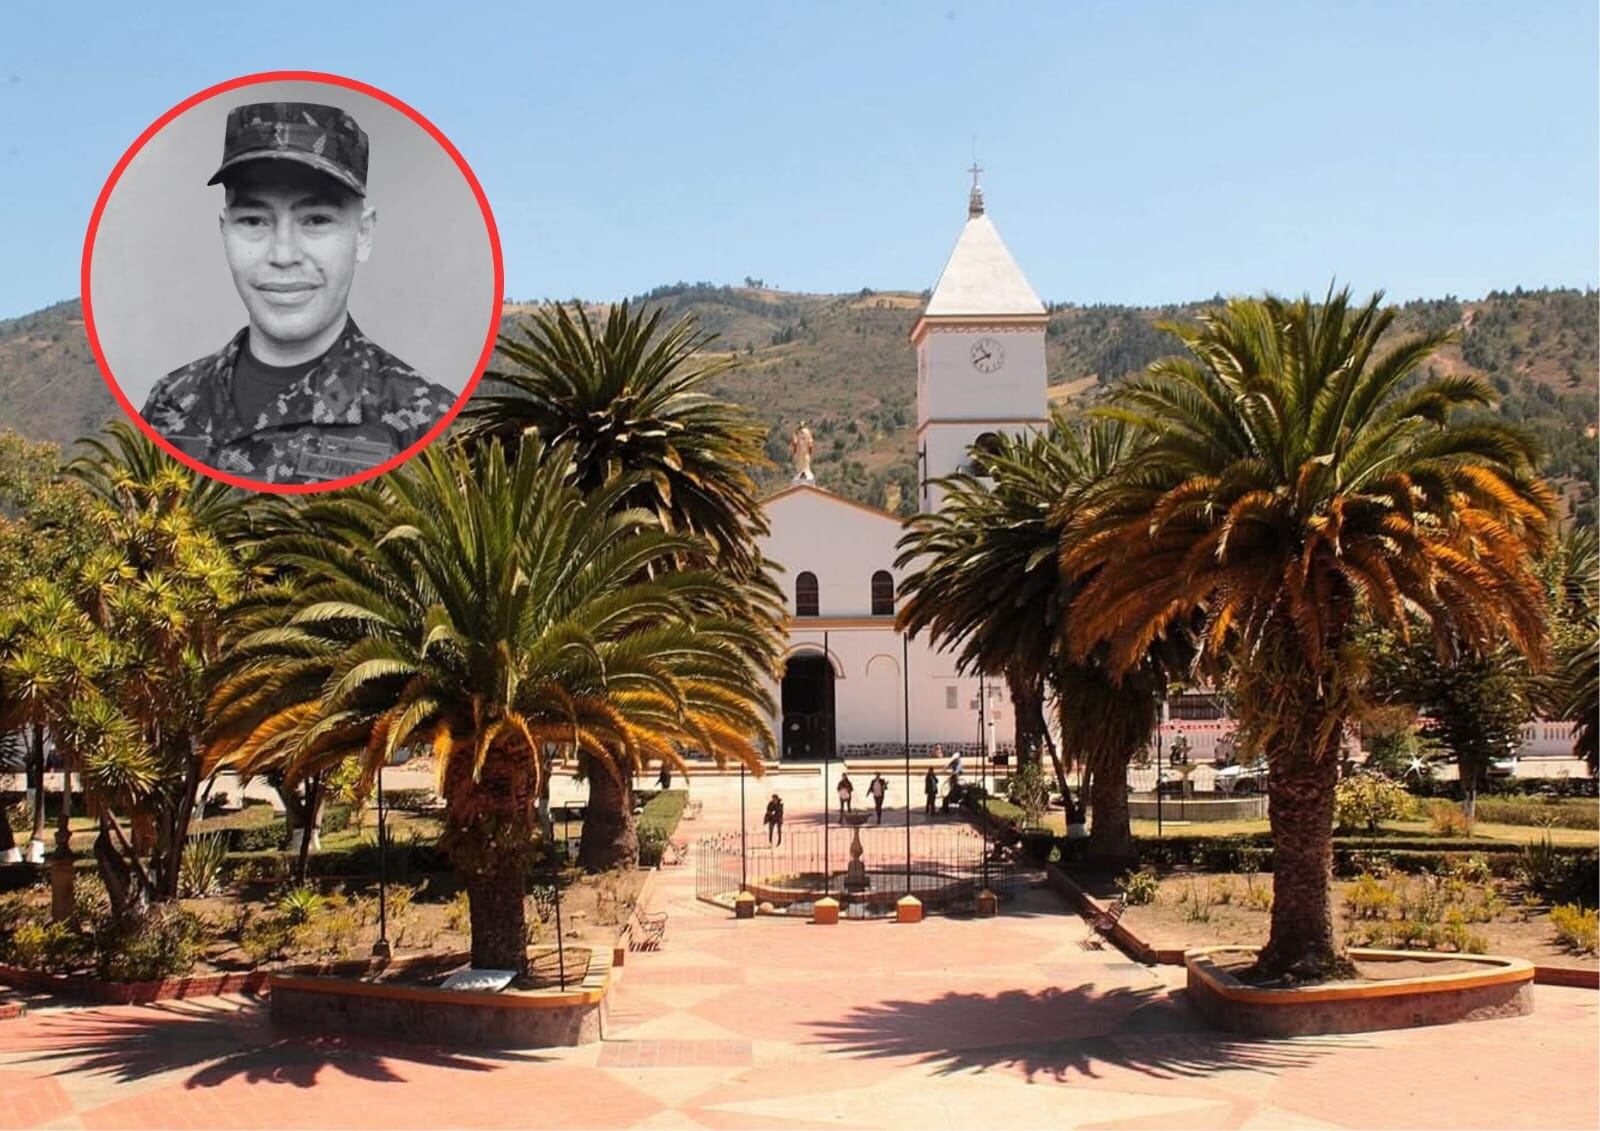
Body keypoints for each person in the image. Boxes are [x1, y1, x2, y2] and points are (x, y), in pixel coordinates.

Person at [141, 102, 456, 484]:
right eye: (254, 221)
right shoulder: (170, 402)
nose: (284, 255)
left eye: (317, 220)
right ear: (225, 230)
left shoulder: (424, 419)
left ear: (363, 235)